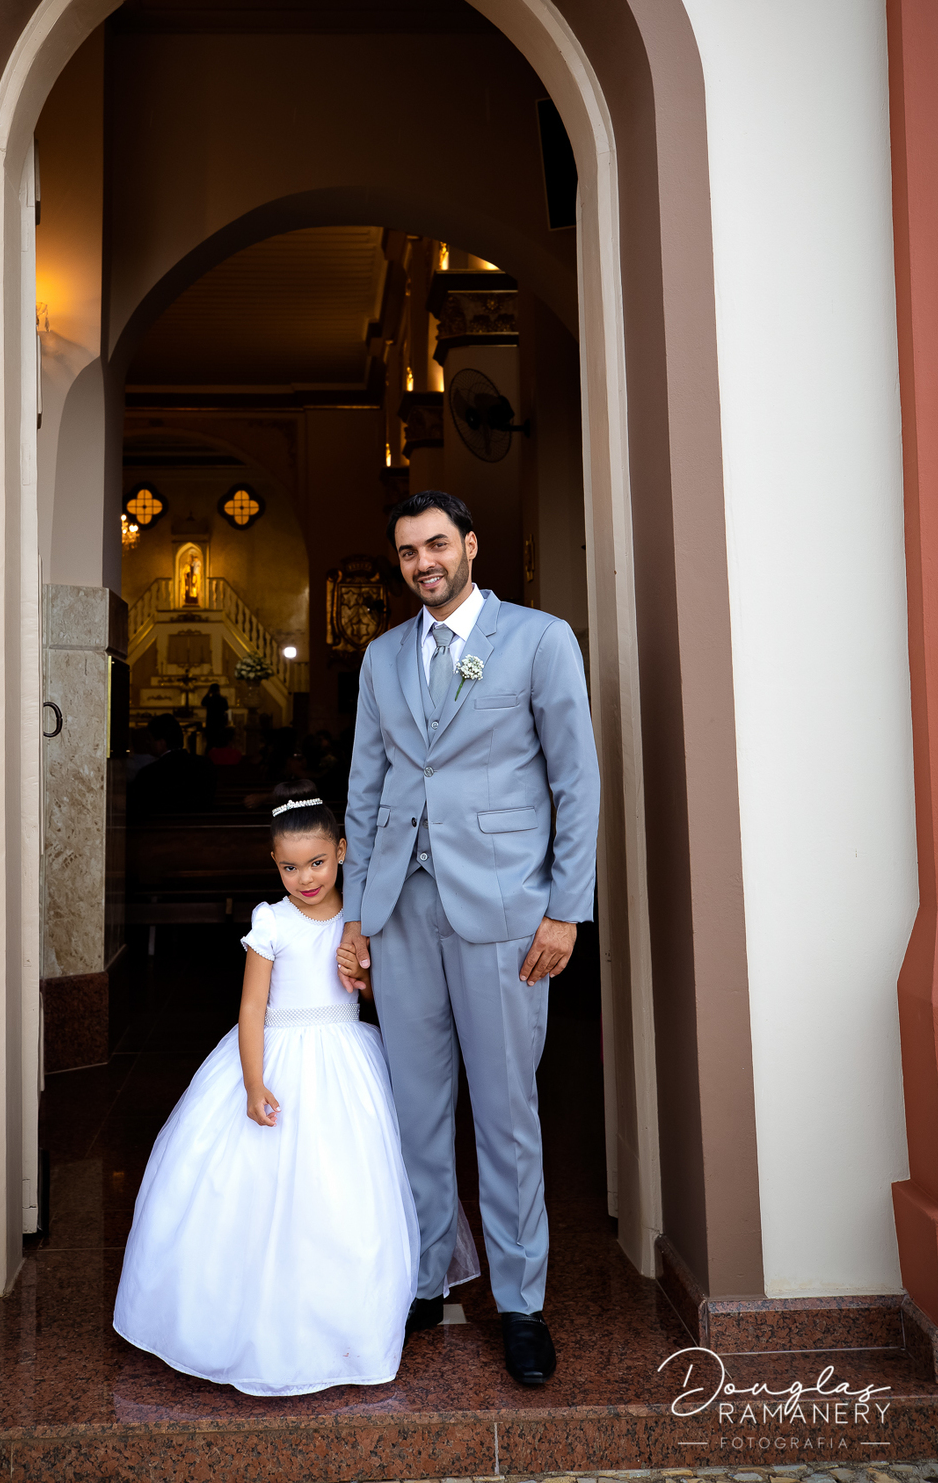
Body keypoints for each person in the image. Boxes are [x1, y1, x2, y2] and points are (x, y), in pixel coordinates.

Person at [337, 490, 600, 1388]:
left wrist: (565, 909)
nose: (425, 563)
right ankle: (424, 1279)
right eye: (409, 551)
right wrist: (358, 917)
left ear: (471, 546)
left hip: (504, 910)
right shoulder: (381, 657)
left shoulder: (538, 640)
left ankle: (521, 1304)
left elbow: (576, 780)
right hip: (401, 911)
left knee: (506, 1112)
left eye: (438, 544)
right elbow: (366, 785)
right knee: (416, 1109)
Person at [112, 799, 421, 1395]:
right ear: (274, 864)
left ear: (341, 852)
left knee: (346, 1191)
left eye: (317, 863)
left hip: (344, 1062)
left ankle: (347, 1323)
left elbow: (378, 995)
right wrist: (254, 1083)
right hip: (276, 1057)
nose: (305, 879)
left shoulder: (358, 921)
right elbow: (252, 1008)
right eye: (290, 868)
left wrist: (363, 977)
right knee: (256, 1189)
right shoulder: (271, 921)